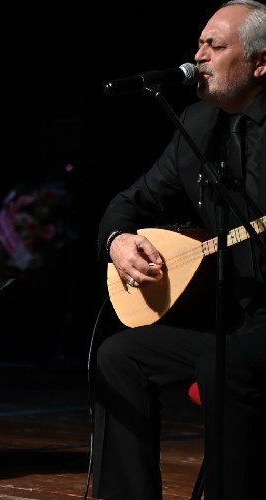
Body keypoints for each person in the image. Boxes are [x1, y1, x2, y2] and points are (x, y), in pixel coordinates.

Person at [93, 1, 266, 499]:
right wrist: (118, 241)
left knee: (226, 364)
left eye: (216, 45)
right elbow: (130, 201)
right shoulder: (197, 122)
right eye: (200, 43)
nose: (199, 56)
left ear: (260, 62)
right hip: (227, 320)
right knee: (119, 356)